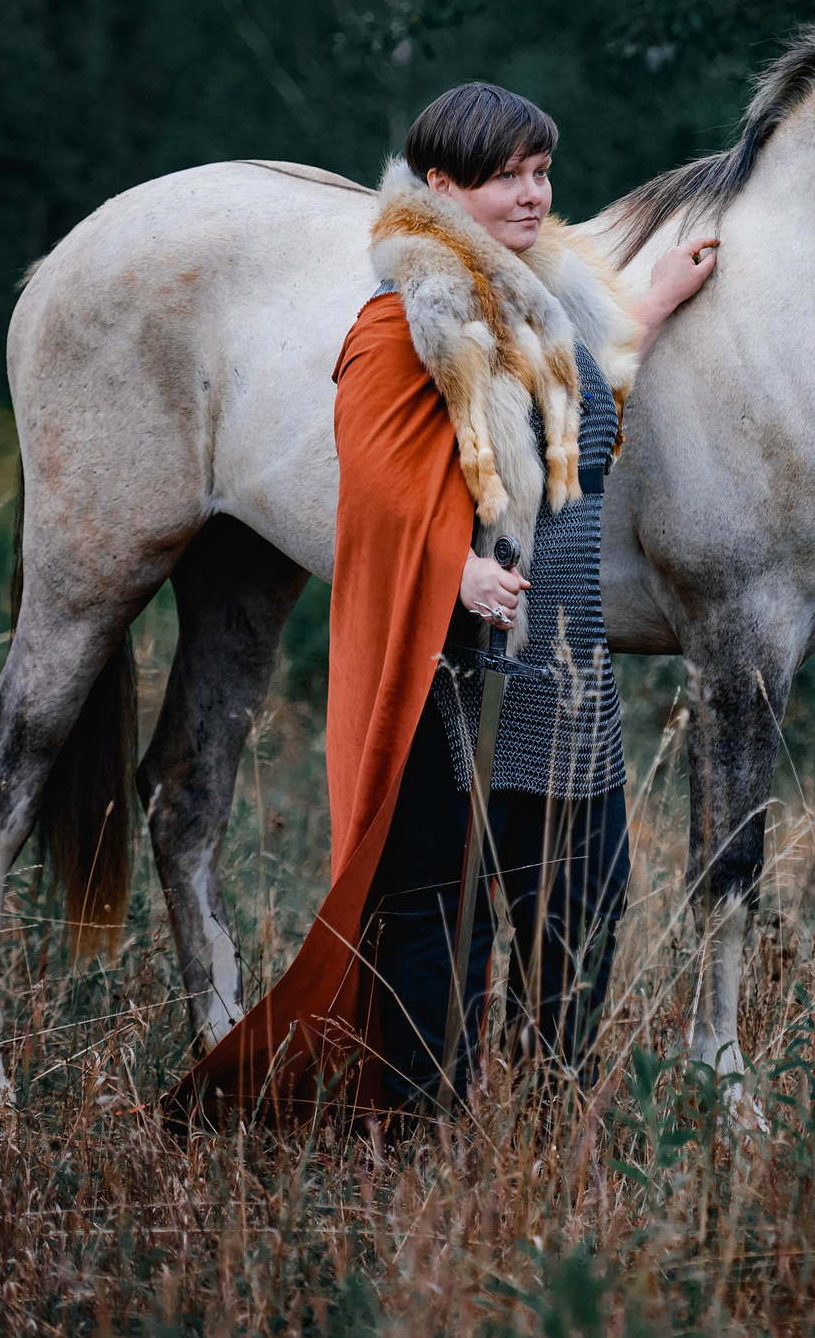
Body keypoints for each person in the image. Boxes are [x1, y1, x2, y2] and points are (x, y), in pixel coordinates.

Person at [173, 83, 714, 1122]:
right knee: (438, 913)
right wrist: (452, 566)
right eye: (505, 175)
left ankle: (551, 1114)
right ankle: (424, 1129)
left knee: (580, 903)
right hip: (452, 674)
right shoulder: (399, 323)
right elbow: (370, 483)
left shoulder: (541, 311)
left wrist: (644, 305)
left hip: (560, 668)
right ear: (438, 186)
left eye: (540, 171)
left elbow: (578, 404)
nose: (531, 193)